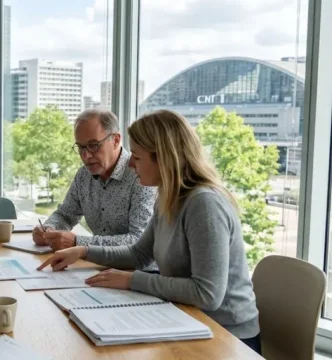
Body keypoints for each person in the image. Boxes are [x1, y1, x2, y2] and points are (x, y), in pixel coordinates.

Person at [37, 109, 262, 354]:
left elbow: (207, 294)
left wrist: (133, 280)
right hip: (185, 318)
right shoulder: (168, 195)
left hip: (226, 336)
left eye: (137, 156)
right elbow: (139, 254)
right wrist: (82, 250)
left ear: (163, 158)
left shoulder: (204, 204)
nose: (130, 164)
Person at [34, 109, 156, 251]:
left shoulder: (142, 176)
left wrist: (78, 242)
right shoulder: (84, 175)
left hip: (135, 270)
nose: (85, 156)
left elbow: (138, 240)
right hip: (97, 264)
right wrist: (48, 229)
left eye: (93, 145)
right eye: (80, 147)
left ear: (116, 140)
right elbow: (65, 215)